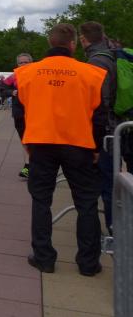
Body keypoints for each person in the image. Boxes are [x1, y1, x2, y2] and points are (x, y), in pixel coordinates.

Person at [17, 23, 105, 277]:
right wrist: (96, 146)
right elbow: (100, 116)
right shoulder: (92, 73)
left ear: (50, 42)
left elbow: (19, 114)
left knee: (41, 200)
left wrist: (27, 142)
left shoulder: (27, 73)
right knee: (86, 202)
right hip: (79, 144)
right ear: (73, 44)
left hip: (41, 143)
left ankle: (44, 258)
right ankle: (88, 263)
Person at [78, 21, 118, 234]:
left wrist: (94, 143)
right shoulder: (113, 54)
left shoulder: (96, 62)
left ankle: (113, 234)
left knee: (106, 185)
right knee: (113, 182)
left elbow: (99, 105)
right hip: (117, 128)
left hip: (105, 133)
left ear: (83, 39)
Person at [4, 53, 33, 178]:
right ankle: (28, 165)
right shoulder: (13, 76)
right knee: (24, 139)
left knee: (33, 139)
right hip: (19, 112)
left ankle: (30, 165)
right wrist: (12, 91)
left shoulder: (37, 74)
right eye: (21, 62)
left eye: (26, 62)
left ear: (31, 63)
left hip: (34, 112)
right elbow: (3, 89)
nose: (23, 64)